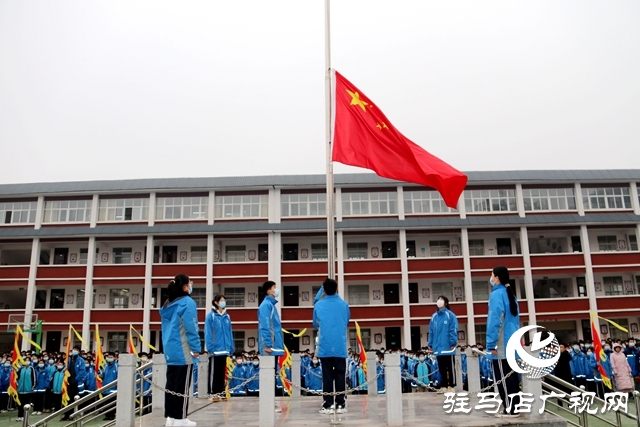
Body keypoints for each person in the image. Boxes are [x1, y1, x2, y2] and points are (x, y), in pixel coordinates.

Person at [159, 273, 201, 427]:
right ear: (184, 286)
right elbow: (191, 327)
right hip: (183, 349)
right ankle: (181, 418)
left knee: (171, 385)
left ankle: (170, 417)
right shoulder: (187, 303)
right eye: (190, 283)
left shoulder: (167, 303)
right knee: (182, 386)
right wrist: (196, 348)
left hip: (170, 349)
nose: (191, 286)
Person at [486, 266, 520, 418]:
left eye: (492, 275)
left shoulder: (496, 295)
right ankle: (515, 407)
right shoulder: (511, 294)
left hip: (501, 343)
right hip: (512, 342)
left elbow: (494, 321)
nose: (491, 278)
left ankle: (509, 408)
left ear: (497, 277)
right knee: (512, 377)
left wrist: (491, 343)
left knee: (503, 378)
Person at [313, 278, 350, 415]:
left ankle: (328, 404)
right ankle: (341, 403)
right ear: (336, 289)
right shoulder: (344, 304)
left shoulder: (319, 305)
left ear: (324, 290)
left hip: (325, 347)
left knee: (327, 376)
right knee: (340, 375)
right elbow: (346, 320)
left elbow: (315, 324)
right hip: (340, 346)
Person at [205, 294, 234, 402]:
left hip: (225, 349)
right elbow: (208, 333)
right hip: (215, 349)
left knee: (222, 371)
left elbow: (229, 332)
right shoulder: (211, 316)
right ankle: (213, 393)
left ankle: (221, 392)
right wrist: (210, 347)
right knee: (214, 372)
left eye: (224, 300)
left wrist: (231, 346)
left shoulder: (227, 316)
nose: (223, 302)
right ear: (216, 302)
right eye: (221, 300)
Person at [427, 295, 458, 394]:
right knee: (441, 367)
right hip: (438, 347)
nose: (439, 301)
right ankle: (443, 385)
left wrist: (453, 342)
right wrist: (430, 344)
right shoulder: (434, 316)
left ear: (446, 303)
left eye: (442, 299)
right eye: (438, 299)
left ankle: (451, 386)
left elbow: (453, 329)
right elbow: (431, 331)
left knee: (450, 367)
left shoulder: (450, 315)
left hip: (448, 346)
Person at [61, 345, 85, 421]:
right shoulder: (69, 359)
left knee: (74, 399)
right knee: (68, 399)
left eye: (76, 349)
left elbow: (82, 371)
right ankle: (66, 414)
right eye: (73, 349)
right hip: (68, 383)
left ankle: (73, 414)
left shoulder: (81, 360)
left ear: (79, 351)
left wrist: (76, 379)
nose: (74, 350)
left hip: (76, 383)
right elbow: (65, 368)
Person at [16, 357, 36, 421]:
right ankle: (19, 416)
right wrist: (17, 385)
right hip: (20, 389)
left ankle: (25, 417)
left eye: (28, 360)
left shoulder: (31, 369)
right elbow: (16, 378)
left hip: (28, 390)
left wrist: (33, 386)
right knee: (20, 404)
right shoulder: (21, 369)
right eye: (25, 360)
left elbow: (34, 378)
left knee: (26, 404)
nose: (27, 361)